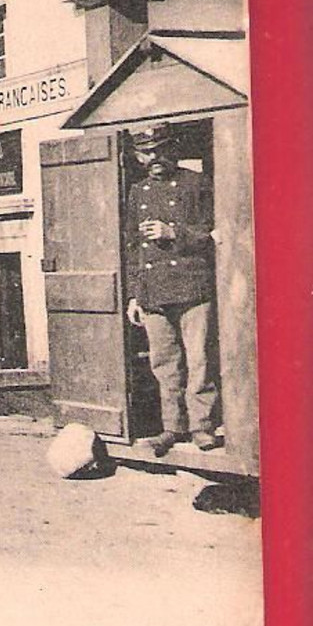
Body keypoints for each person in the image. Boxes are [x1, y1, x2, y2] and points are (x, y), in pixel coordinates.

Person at [123, 124, 220, 456]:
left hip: (193, 287)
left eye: (159, 150)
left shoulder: (197, 183)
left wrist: (172, 232)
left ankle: (202, 427)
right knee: (165, 363)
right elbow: (133, 247)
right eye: (146, 152)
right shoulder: (138, 192)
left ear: (172, 150)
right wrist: (135, 295)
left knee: (199, 360)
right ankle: (173, 428)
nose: (154, 158)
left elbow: (214, 232)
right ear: (137, 156)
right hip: (153, 292)